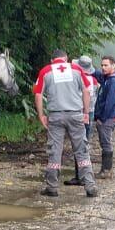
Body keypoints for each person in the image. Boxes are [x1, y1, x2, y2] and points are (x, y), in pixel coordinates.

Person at [33, 49, 97, 198]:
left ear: (52, 60)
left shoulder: (45, 71)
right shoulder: (76, 69)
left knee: (55, 151)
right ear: (66, 59)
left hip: (55, 116)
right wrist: (86, 113)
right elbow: (87, 91)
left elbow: (38, 94)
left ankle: (52, 187)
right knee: (81, 150)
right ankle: (90, 186)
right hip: (75, 115)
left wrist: (41, 115)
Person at [64, 55, 99, 186]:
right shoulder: (94, 80)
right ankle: (83, 175)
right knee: (83, 144)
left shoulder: (78, 78)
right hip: (89, 113)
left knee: (79, 145)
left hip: (81, 113)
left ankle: (81, 176)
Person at [92, 56, 115, 179]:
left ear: (113, 65)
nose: (103, 68)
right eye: (102, 65)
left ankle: (106, 171)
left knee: (106, 143)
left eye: (106, 65)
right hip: (106, 117)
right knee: (104, 143)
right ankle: (105, 170)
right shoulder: (106, 79)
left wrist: (101, 119)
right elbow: (96, 73)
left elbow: (110, 102)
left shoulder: (113, 81)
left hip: (108, 118)